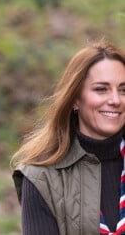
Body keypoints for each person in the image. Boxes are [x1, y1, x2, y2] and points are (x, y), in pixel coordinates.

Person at [11, 40, 125, 235]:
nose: (115, 100)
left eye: (123, 90)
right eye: (101, 89)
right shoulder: (42, 177)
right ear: (74, 99)